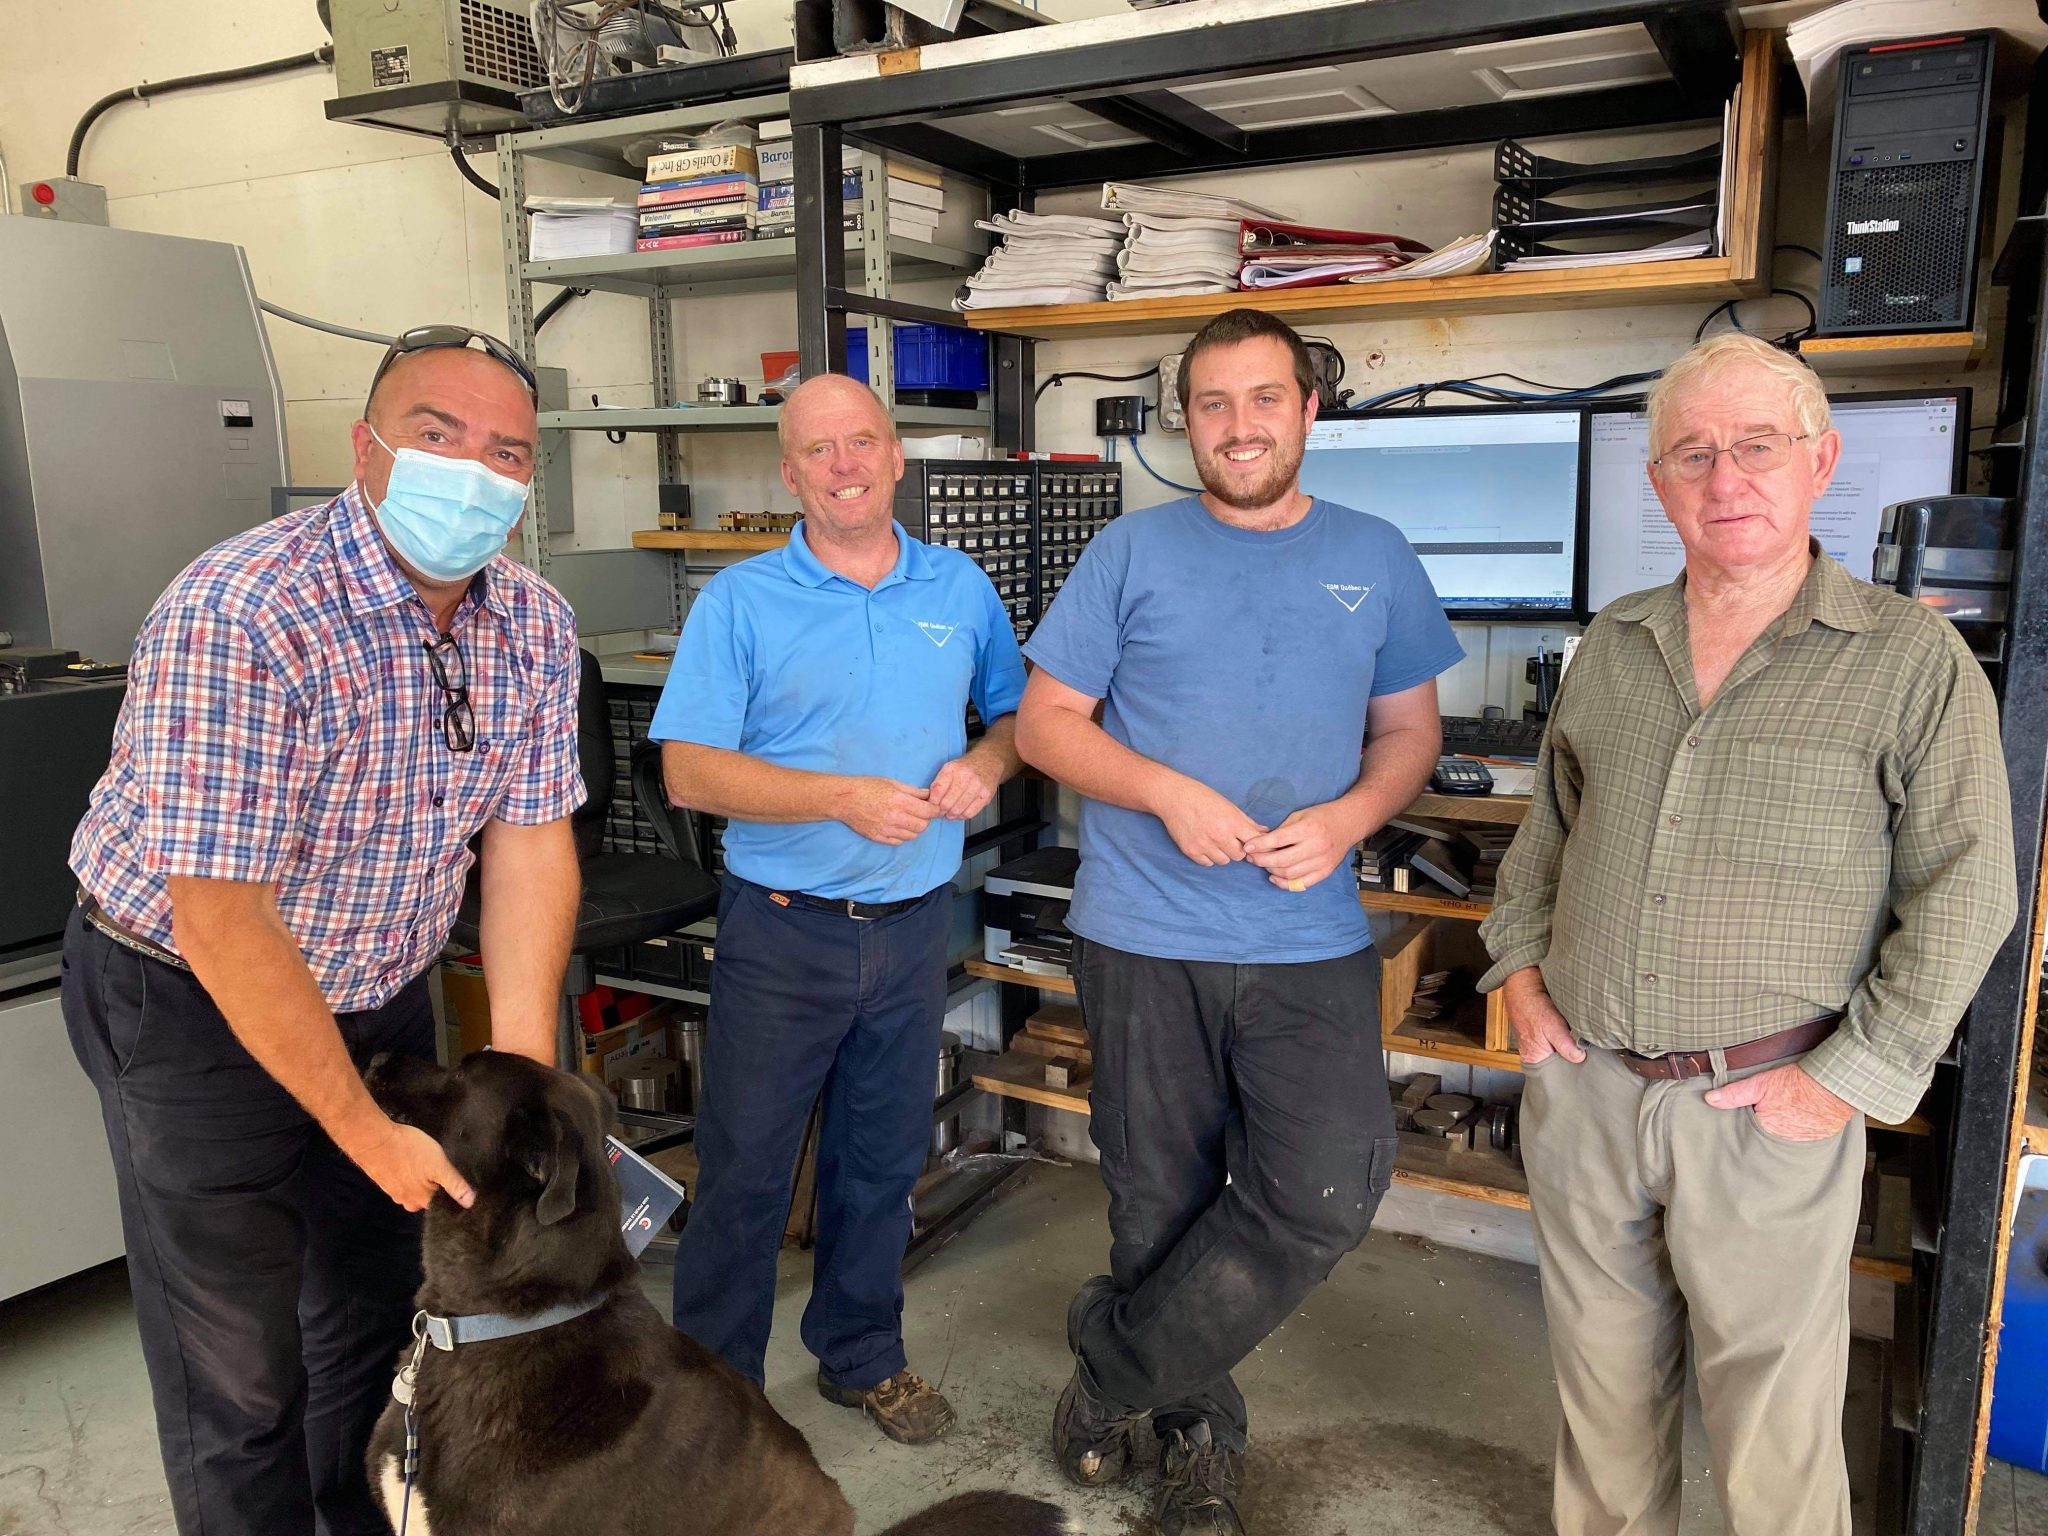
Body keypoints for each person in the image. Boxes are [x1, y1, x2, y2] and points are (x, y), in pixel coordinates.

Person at [1478, 331, 2016, 1536]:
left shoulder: (1909, 661)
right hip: (1586, 1090)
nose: (1724, 479)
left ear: (1817, 462)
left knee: (1772, 1442)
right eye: (1692, 454)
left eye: (1756, 447)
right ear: (1657, 482)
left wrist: (1845, 1080)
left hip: (1766, 1110)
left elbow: (1967, 890)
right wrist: (1518, 971)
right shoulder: (1613, 644)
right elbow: (1542, 836)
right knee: (1601, 1411)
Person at [63, 325, 585, 1536]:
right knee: (239, 1370)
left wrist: (517, 1081)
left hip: (381, 983)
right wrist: (359, 1128)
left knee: (367, 1319)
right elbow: (221, 914)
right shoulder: (243, 612)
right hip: (188, 997)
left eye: (506, 451)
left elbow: (527, 845)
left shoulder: (532, 622)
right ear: (364, 448)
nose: (473, 472)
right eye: (435, 434)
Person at [1017, 309, 1465, 1536]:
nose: (1238, 426)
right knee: (1156, 1199)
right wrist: (1164, 791)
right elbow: (1045, 725)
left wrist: (1350, 818)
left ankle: (1108, 1370)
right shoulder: (1128, 552)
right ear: (1185, 420)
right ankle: (1197, 1439)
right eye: (1211, 403)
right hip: (1141, 932)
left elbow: (1409, 732)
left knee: (1326, 1188)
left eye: (1264, 397)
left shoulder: (1373, 553)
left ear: (1307, 409)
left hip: (1305, 936)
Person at [652, 374, 1025, 1445]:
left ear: (896, 456)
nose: (844, 466)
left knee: (880, 1159)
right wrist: (838, 797)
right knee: (745, 1172)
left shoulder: (959, 587)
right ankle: (716, 1393)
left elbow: (1015, 717)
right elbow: (688, 772)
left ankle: (861, 1355)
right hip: (783, 929)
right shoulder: (738, 602)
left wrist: (986, 763)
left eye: (861, 442)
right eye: (818, 450)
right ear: (789, 473)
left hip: (909, 928)